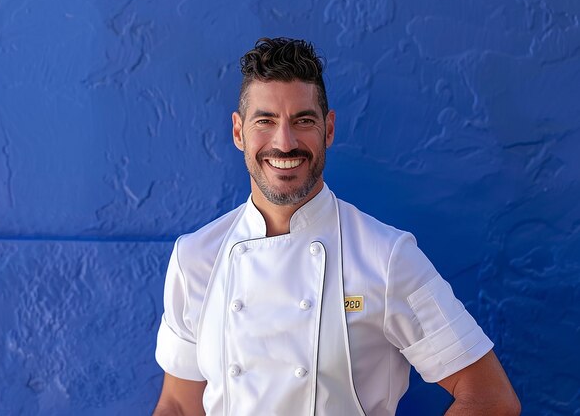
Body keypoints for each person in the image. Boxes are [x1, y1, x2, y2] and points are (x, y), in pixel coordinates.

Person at [152, 37, 520, 415]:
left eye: (303, 120)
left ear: (328, 129)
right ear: (238, 131)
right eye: (266, 120)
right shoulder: (195, 258)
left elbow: (490, 398)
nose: (285, 142)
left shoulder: (386, 257)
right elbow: (179, 405)